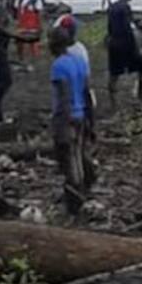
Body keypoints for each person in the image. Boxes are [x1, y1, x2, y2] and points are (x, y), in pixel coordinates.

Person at [50, 26, 95, 214]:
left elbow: (64, 96)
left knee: (69, 160)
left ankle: (74, 202)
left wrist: (60, 123)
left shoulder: (58, 66)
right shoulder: (79, 61)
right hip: (81, 114)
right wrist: (91, 119)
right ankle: (80, 194)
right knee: (77, 155)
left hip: (67, 116)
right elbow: (86, 91)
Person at [106, 0, 142, 110]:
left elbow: (110, 28)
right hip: (126, 44)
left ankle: (113, 103)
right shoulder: (125, 7)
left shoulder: (112, 7)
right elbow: (128, 29)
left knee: (114, 74)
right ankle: (139, 101)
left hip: (114, 43)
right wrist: (135, 47)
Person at [15, 0, 43, 64]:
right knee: (20, 44)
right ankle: (22, 60)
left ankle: (35, 62)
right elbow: (17, 10)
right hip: (22, 25)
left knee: (34, 44)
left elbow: (39, 13)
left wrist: (40, 25)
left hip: (33, 25)